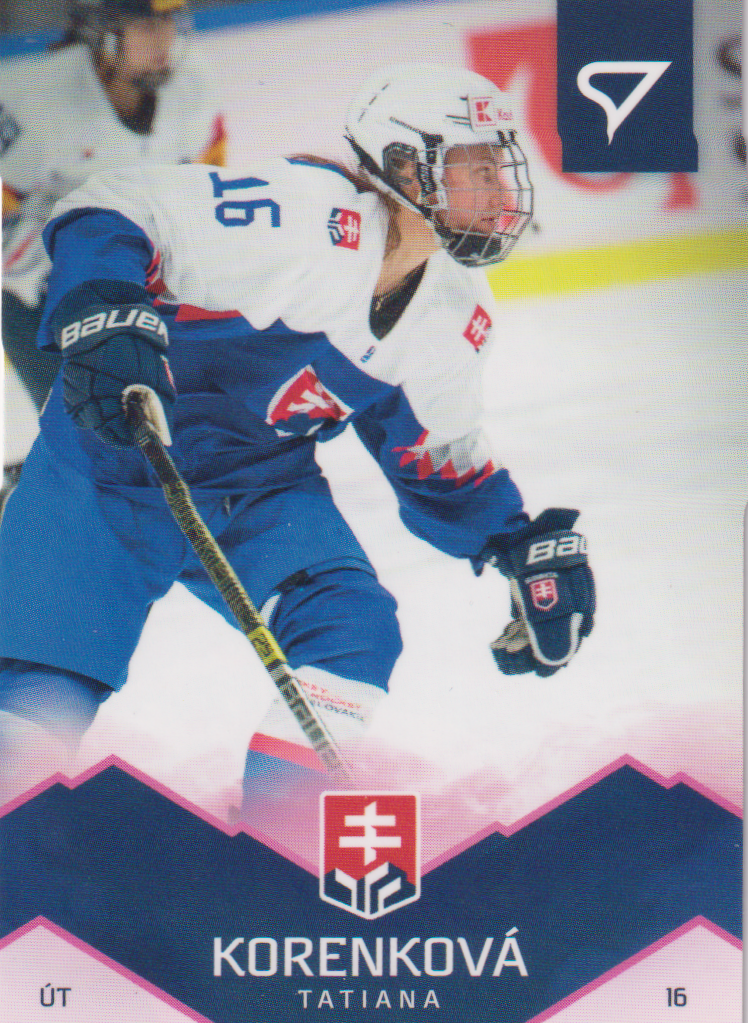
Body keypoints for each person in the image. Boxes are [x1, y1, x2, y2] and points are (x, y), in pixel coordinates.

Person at [0, 63, 595, 805]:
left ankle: (278, 827)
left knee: (352, 629)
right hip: (108, 464)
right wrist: (106, 309)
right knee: (41, 700)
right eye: (476, 168)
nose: (501, 193)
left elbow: (432, 453)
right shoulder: (299, 215)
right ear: (404, 167)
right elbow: (111, 206)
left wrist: (514, 539)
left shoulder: (454, 314)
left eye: (500, 167)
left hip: (261, 489)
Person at [1, 0, 226, 503]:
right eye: (144, 23)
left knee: (161, 440)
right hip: (40, 300)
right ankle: (37, 492)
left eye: (169, 21)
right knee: (93, 448)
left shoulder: (194, 87)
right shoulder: (35, 100)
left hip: (147, 286)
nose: (162, 38)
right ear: (102, 30)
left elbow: (209, 195)